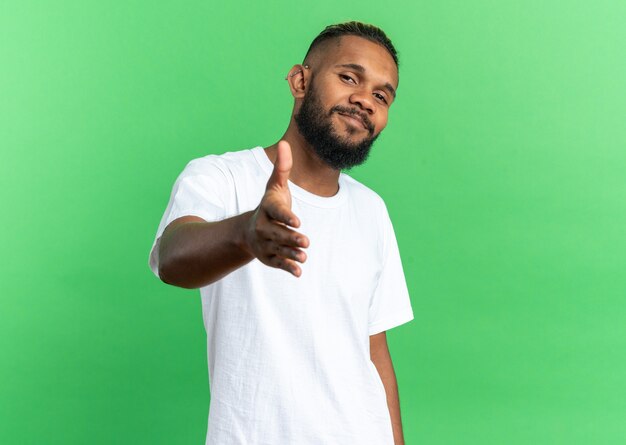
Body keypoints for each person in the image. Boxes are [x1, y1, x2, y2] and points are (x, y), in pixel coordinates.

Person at [148, 21, 414, 445]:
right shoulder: (221, 177)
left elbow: (375, 351)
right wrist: (246, 235)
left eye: (382, 96)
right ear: (300, 81)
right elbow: (170, 259)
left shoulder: (372, 210)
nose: (365, 99)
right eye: (349, 77)